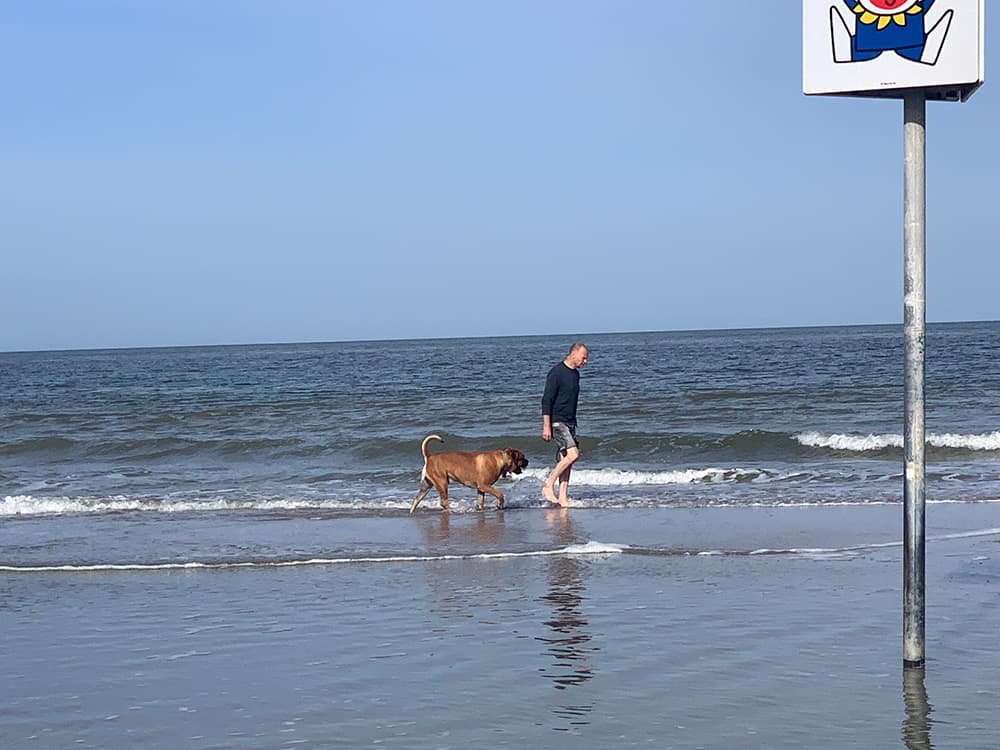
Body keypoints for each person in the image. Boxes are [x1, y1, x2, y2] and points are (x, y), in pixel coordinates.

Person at [540, 342, 589, 507]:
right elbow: (546, 400)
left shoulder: (575, 374)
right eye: (583, 358)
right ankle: (548, 486)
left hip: (570, 421)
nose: (585, 361)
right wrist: (546, 425)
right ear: (574, 353)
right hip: (557, 421)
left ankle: (562, 497)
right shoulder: (556, 373)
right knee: (573, 454)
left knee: (567, 460)